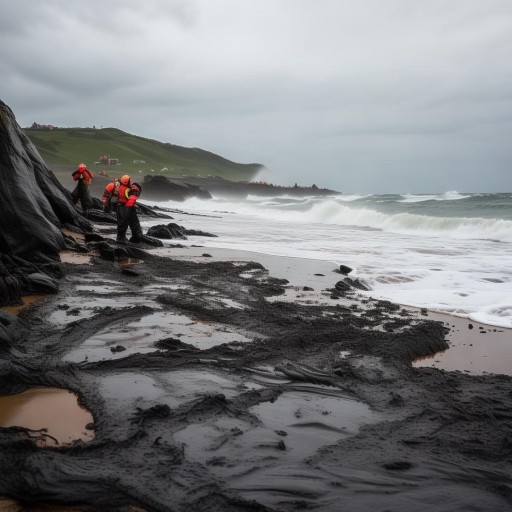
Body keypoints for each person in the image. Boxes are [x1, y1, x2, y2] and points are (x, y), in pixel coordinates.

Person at [116, 175, 143, 243]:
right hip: (127, 207)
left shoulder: (120, 187)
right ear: (127, 182)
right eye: (130, 180)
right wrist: (136, 190)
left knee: (123, 224)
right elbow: (134, 195)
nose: (131, 181)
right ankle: (134, 238)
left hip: (121, 206)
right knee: (131, 223)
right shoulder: (127, 190)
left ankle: (121, 238)